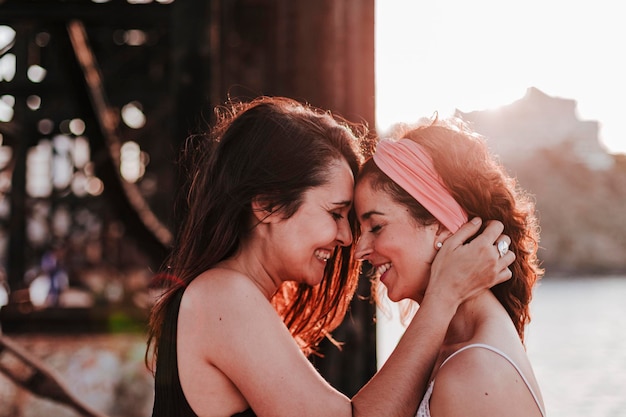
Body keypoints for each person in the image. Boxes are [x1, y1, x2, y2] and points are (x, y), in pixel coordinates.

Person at [145, 97, 514, 417]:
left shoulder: (227, 297)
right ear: (268, 207)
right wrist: (443, 297)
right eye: (336, 214)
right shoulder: (222, 296)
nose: (347, 238)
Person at [354, 116, 545, 417]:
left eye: (376, 226)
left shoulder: (474, 372)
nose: (360, 251)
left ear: (442, 225)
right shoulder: (448, 347)